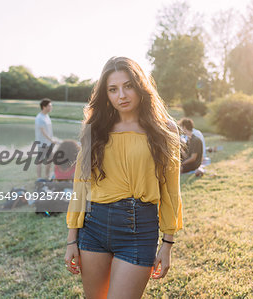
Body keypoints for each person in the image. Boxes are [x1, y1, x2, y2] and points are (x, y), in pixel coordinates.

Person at [64, 57, 182, 299]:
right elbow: (81, 185)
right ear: (105, 94)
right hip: (93, 227)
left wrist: (167, 243)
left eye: (128, 86)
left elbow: (171, 189)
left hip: (139, 229)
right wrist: (71, 240)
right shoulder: (95, 128)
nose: (122, 95)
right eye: (113, 89)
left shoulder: (165, 129)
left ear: (141, 86)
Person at [35, 99, 56, 178]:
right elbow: (43, 131)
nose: (51, 107)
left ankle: (47, 176)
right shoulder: (39, 118)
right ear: (44, 107)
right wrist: (52, 140)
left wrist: (52, 139)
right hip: (42, 143)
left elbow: (48, 130)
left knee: (50, 158)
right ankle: (39, 178)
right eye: (49, 106)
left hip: (49, 143)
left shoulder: (46, 116)